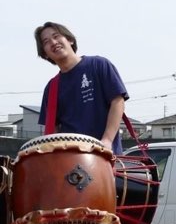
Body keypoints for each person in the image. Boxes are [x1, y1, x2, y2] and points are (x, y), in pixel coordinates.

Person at [35, 22, 128, 154]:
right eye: (46, 41)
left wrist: (106, 140)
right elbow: (52, 131)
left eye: (56, 36)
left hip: (104, 157)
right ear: (45, 54)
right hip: (70, 163)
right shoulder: (51, 88)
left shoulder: (98, 65)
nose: (53, 42)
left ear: (70, 40)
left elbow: (118, 101)